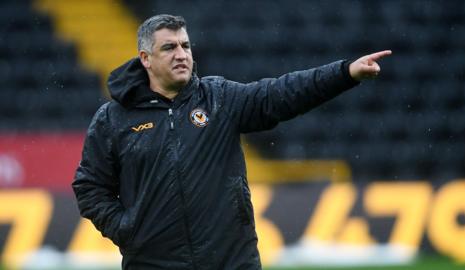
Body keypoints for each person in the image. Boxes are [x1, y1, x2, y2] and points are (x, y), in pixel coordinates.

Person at [72, 14, 391, 270]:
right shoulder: (113, 119)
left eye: (186, 45)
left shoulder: (218, 98)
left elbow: (279, 94)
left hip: (231, 260)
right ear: (146, 58)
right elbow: (89, 187)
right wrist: (128, 229)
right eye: (169, 48)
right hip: (152, 262)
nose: (182, 54)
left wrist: (344, 73)